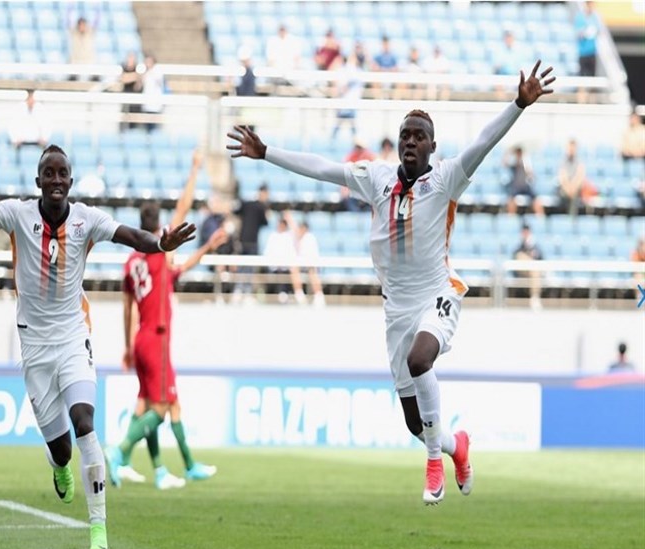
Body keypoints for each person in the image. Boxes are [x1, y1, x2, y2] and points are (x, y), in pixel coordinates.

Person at [228, 60, 556, 505]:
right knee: (414, 423)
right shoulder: (376, 178)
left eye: (419, 136)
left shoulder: (446, 179)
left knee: (422, 360)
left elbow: (484, 141)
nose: (410, 141)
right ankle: (456, 447)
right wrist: (267, 152)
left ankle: (435, 462)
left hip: (438, 293)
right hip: (397, 308)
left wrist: (518, 103)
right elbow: (322, 168)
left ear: (432, 146)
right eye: (405, 135)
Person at [0, 136, 196, 549]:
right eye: (49, 173)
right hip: (35, 347)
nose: (56, 179)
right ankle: (58, 465)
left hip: (73, 337)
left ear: (71, 182)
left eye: (62, 173)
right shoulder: (18, 214)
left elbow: (130, 235)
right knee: (61, 449)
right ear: (37, 180)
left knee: (85, 423)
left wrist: (160, 244)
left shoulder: (86, 219)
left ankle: (98, 534)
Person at [110, 152, 226, 489]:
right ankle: (119, 452)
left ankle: (170, 468)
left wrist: (127, 347)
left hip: (140, 338)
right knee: (159, 410)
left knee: (158, 403)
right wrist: (194, 169)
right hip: (158, 337)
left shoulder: (132, 263)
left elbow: (128, 308)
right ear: (158, 224)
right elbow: (184, 209)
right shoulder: (161, 249)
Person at [233, 183, 270, 301]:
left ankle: (240, 291)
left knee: (244, 267)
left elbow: (236, 211)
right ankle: (245, 291)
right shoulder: (260, 207)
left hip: (244, 240)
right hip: (251, 241)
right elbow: (266, 222)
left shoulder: (248, 204)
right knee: (248, 268)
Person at [263, 213, 306, 304]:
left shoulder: (289, 235)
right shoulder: (273, 236)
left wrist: (290, 219)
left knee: (294, 269)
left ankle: (298, 294)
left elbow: (298, 233)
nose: (281, 225)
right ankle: (281, 294)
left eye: (284, 224)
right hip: (276, 266)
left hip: (288, 266)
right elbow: (267, 253)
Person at [503, 146, 544, 216]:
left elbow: (531, 174)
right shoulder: (513, 164)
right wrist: (509, 152)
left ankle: (540, 217)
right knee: (511, 201)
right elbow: (505, 163)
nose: (519, 155)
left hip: (525, 186)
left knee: (537, 200)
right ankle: (511, 217)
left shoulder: (525, 163)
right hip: (516, 187)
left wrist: (526, 161)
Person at [558, 139, 594, 216]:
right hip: (565, 190)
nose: (571, 150)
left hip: (576, 190)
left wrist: (573, 189)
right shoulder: (563, 162)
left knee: (575, 198)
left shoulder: (580, 162)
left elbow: (579, 178)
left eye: (573, 148)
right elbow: (563, 178)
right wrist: (568, 189)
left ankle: (572, 219)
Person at [512, 223, 544, 310]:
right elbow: (515, 256)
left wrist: (534, 253)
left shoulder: (535, 245)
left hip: (532, 270)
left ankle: (535, 296)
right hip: (521, 269)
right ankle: (535, 297)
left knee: (535, 271)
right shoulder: (519, 244)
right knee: (521, 256)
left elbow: (541, 257)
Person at [575, 1, 601, 77]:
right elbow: (578, 34)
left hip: (592, 52)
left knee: (592, 76)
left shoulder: (595, 17)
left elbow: (599, 30)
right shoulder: (580, 17)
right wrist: (585, 32)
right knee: (582, 75)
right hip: (583, 52)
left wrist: (594, 31)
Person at [140, 54, 165, 133]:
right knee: (147, 127)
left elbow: (158, 81)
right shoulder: (145, 72)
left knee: (155, 128)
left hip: (155, 104)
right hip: (147, 104)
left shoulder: (157, 70)